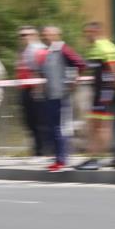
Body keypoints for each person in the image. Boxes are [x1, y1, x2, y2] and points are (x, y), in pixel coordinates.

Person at [37, 26, 86, 172]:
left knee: (60, 128)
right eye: (44, 34)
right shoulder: (49, 50)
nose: (45, 36)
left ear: (56, 35)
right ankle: (59, 158)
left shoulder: (62, 48)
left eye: (47, 34)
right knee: (54, 128)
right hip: (51, 94)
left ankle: (62, 159)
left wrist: (73, 80)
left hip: (61, 95)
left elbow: (80, 63)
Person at [75, 21, 115, 171]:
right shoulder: (94, 48)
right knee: (94, 126)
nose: (86, 36)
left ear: (96, 32)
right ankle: (94, 157)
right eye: (85, 33)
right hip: (98, 91)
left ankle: (97, 158)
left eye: (88, 33)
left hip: (105, 92)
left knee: (101, 126)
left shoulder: (105, 47)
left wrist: (114, 91)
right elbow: (93, 70)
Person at [16, 26, 46, 158]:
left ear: (35, 35)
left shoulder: (39, 49)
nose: (24, 37)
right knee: (28, 121)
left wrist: (38, 90)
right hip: (25, 88)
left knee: (38, 121)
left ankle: (41, 151)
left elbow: (41, 70)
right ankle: (36, 149)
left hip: (36, 89)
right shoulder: (24, 50)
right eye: (21, 35)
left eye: (27, 34)